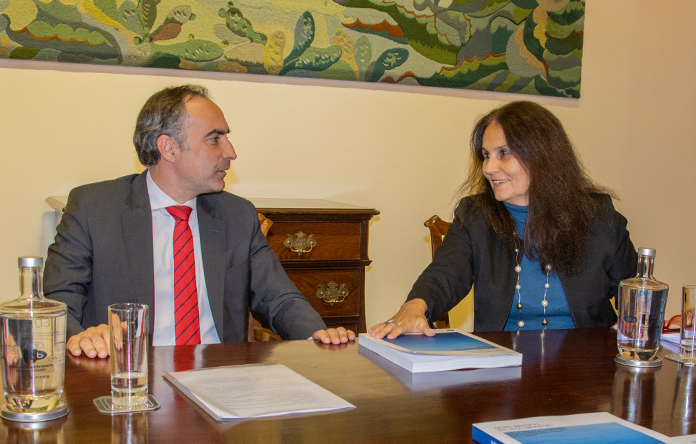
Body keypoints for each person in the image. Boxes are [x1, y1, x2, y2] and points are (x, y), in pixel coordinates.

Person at [44, 84, 354, 358]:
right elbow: (57, 302)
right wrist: (81, 337)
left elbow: (278, 298)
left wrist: (316, 335)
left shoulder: (236, 215)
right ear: (169, 148)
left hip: (220, 377)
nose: (231, 152)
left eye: (226, 137)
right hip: (132, 376)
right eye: (214, 139)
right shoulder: (95, 208)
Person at [370, 101, 637, 339]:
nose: (488, 168)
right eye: (486, 155)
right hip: (503, 363)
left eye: (503, 153)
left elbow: (637, 294)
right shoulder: (475, 216)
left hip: (586, 366)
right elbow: (446, 273)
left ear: (543, 155)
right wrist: (414, 307)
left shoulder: (599, 217)